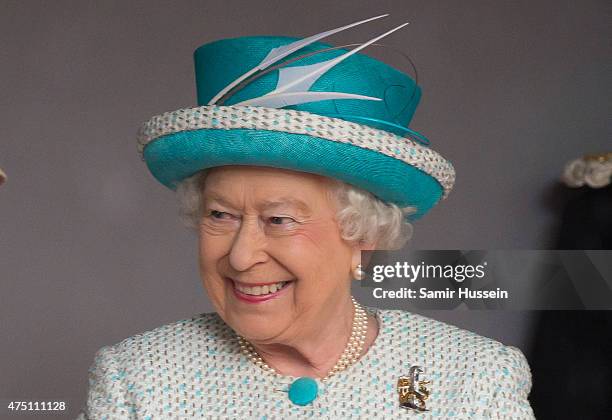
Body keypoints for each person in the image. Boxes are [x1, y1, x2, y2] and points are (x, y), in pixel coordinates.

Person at [77, 16, 534, 419]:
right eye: (221, 214)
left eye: (278, 220)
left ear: (363, 237)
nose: (240, 257)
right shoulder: (137, 380)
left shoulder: (472, 381)